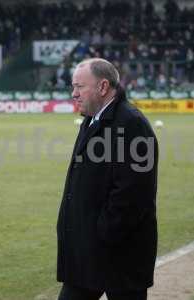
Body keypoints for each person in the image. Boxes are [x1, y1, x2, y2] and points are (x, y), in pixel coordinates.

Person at [57, 58, 158, 300]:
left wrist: (101, 234)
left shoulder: (131, 124)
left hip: (120, 256)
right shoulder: (92, 120)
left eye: (80, 87)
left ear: (103, 87)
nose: (74, 94)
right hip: (88, 254)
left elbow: (132, 196)